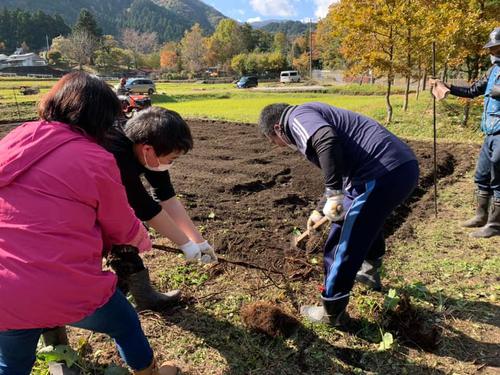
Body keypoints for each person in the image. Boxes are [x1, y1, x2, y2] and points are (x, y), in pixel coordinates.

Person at [0, 72, 179, 375]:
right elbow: (122, 226)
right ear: (100, 117)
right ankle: (148, 371)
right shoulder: (95, 157)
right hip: (61, 285)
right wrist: (141, 239)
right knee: (125, 323)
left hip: (4, 288)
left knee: (11, 363)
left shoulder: (14, 140)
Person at [258, 102, 419, 326]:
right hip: (398, 167)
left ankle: (331, 311)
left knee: (343, 236)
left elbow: (326, 139)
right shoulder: (310, 112)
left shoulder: (295, 118)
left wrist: (334, 195)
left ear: (277, 128)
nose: (279, 147)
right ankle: (369, 272)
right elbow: (341, 168)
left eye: (274, 142)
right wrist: (319, 208)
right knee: (367, 220)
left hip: (379, 172)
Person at [103, 107, 218, 311]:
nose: (171, 164)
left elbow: (166, 196)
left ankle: (140, 296)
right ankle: (109, 302)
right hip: (71, 200)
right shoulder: (116, 152)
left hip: (102, 194)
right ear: (147, 149)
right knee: (125, 230)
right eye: (171, 159)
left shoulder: (150, 148)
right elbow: (144, 207)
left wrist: (198, 241)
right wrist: (185, 245)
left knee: (127, 231)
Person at [430, 27, 500, 238]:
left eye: (495, 49)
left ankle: (495, 226)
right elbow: (473, 90)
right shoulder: (493, 71)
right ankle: (481, 216)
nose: (492, 53)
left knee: (499, 175)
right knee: (482, 174)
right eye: (492, 49)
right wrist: (446, 86)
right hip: (491, 131)